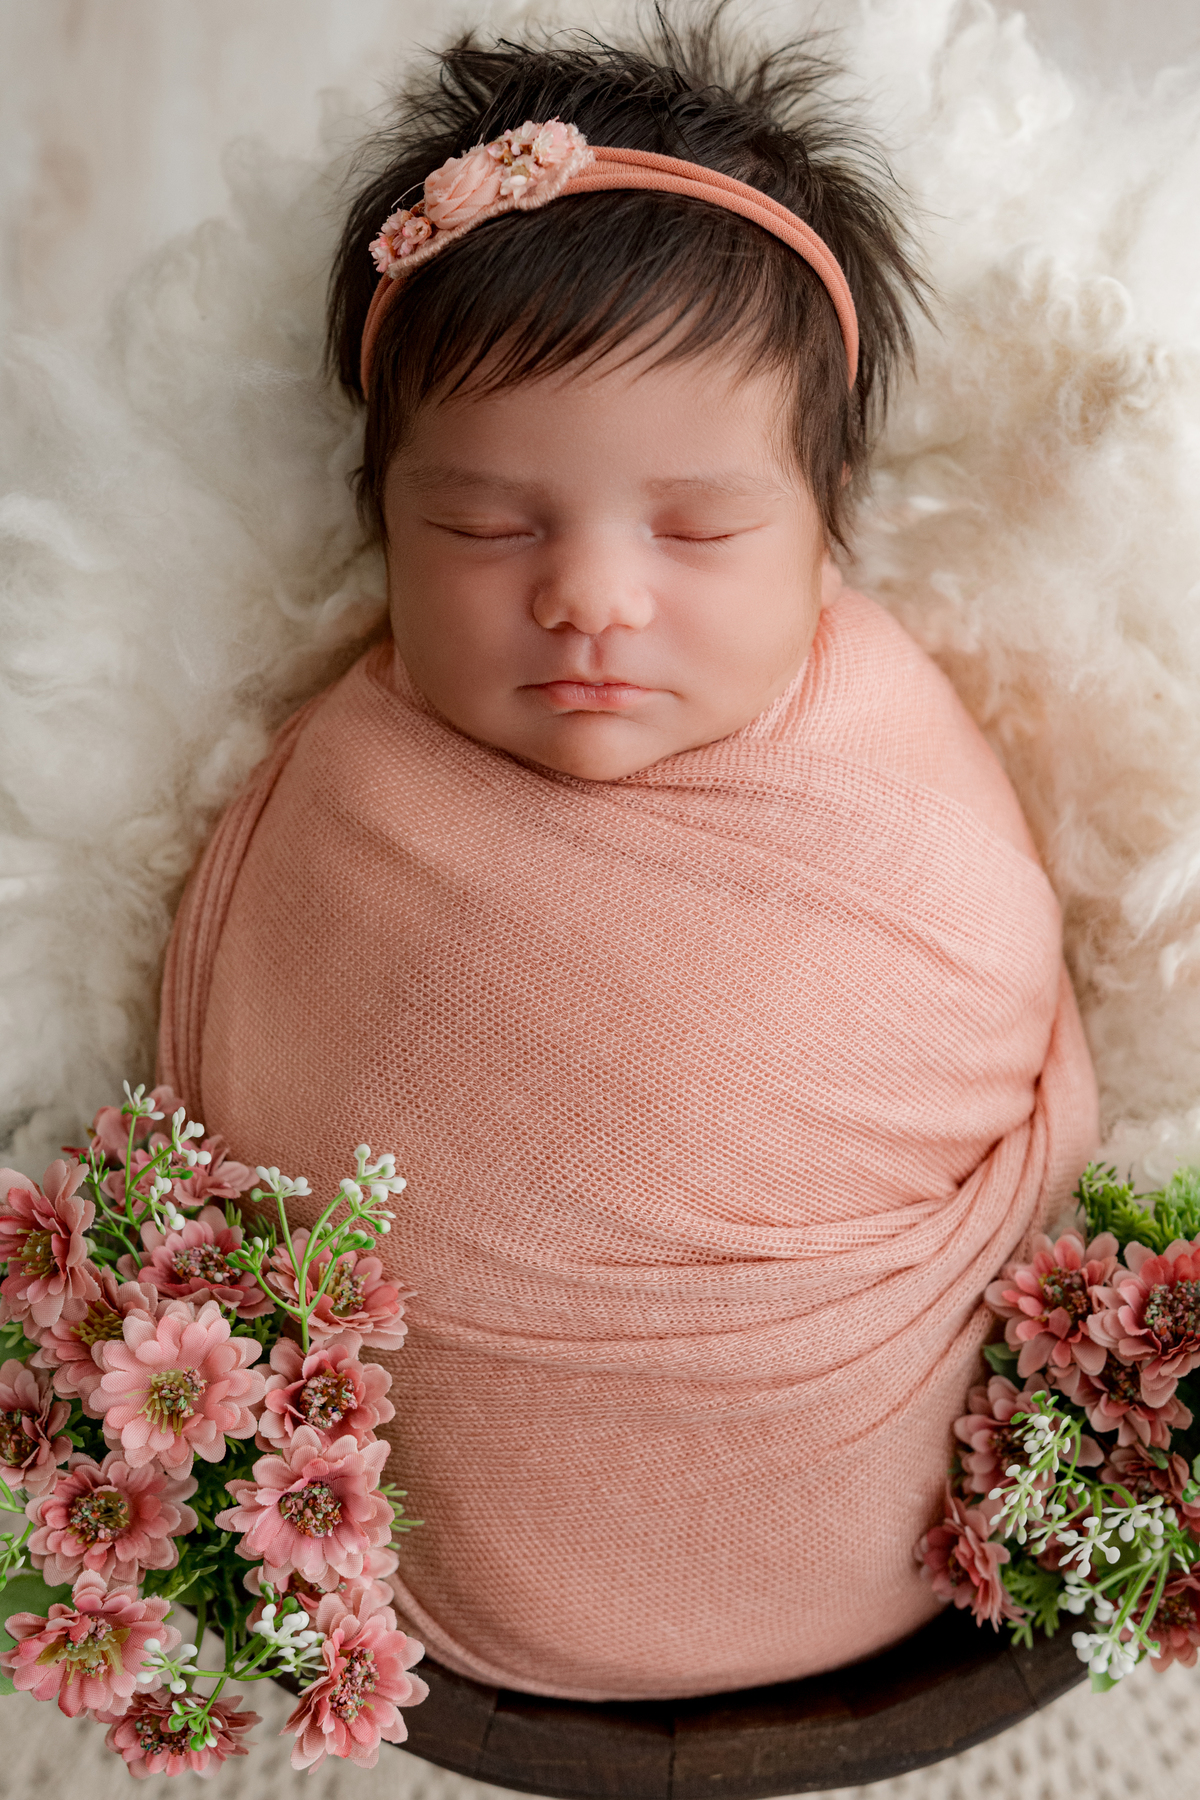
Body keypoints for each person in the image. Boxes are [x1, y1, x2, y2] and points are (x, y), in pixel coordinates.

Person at [158, 12, 1099, 1701]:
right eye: (486, 524)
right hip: (435, 1604)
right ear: (381, 521)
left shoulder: (892, 770)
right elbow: (248, 1125)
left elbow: (1001, 1004)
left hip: (890, 1536)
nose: (590, 594)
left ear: (828, 528)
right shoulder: (344, 796)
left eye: (699, 525)